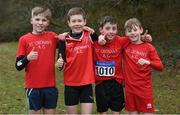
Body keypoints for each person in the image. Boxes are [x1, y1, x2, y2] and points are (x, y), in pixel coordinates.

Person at [15, 6, 59, 114]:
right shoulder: (24, 39)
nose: (40, 23)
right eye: (37, 19)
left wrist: (60, 58)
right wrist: (27, 58)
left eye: (44, 20)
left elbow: (68, 43)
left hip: (50, 86)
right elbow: (18, 65)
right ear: (31, 20)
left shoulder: (52, 36)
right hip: (33, 87)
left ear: (48, 23)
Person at [56, 7, 99, 114]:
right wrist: (59, 64)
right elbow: (60, 65)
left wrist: (93, 32)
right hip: (70, 84)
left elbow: (101, 41)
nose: (77, 24)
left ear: (85, 21)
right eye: (74, 21)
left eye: (80, 21)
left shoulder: (89, 36)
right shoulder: (64, 39)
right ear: (69, 23)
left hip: (86, 83)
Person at [123, 18, 164, 114]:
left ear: (141, 30)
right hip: (130, 90)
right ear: (126, 33)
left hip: (144, 90)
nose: (133, 33)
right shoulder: (125, 45)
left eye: (135, 30)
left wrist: (148, 62)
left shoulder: (149, 47)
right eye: (129, 31)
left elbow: (160, 66)